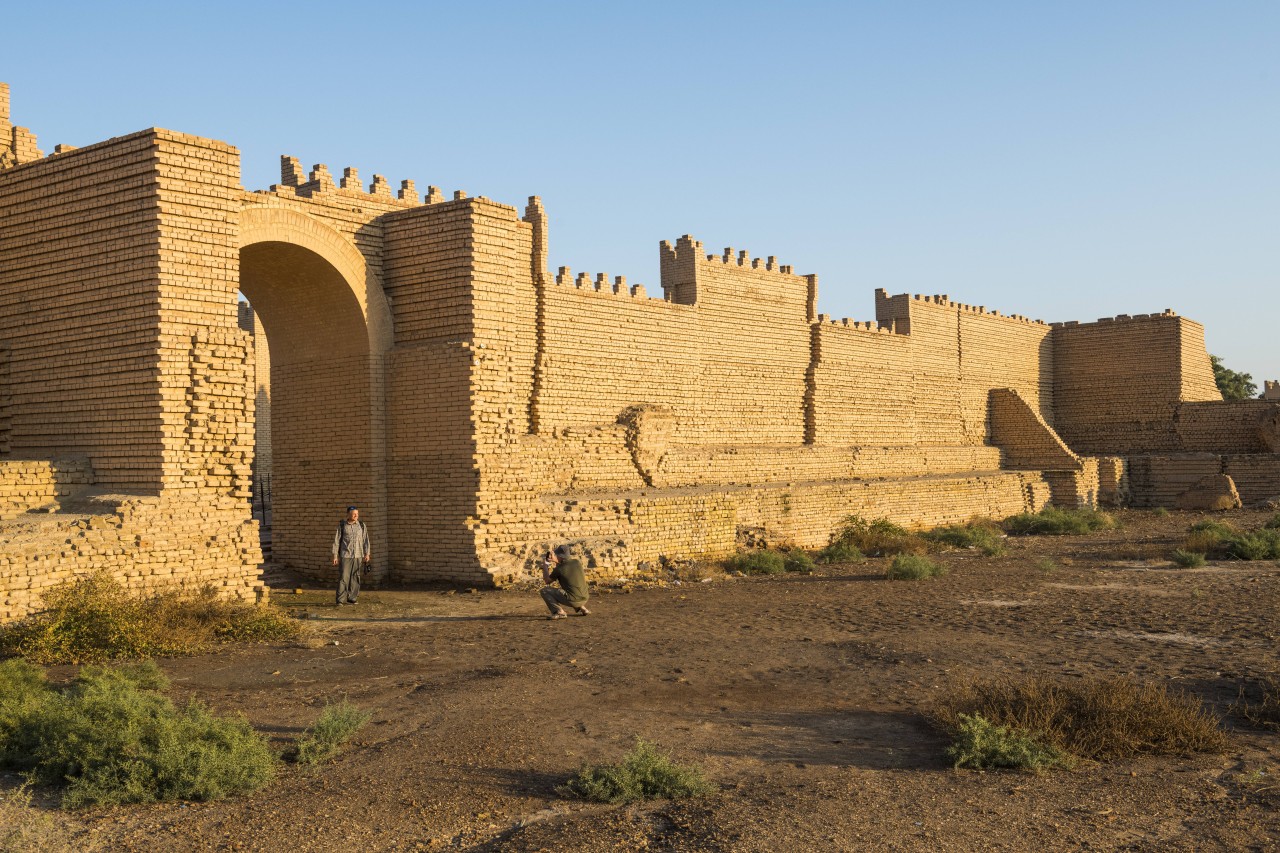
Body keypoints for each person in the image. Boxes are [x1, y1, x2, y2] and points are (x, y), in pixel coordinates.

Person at [331, 505, 371, 606]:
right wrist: (335, 556)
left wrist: (367, 554)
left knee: (355, 577)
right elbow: (336, 541)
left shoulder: (362, 525)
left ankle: (352, 598)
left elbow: (366, 540)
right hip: (346, 555)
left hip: (358, 555)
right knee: (344, 577)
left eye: (357, 514)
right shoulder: (342, 526)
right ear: (348, 514)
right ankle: (340, 599)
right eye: (354, 514)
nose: (356, 516)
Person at [540, 544, 591, 620]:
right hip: (585, 598)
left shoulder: (559, 569)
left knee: (544, 591)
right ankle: (583, 608)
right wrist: (556, 561)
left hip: (574, 600)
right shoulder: (577, 562)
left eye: (556, 555)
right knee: (572, 586)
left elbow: (547, 581)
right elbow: (565, 569)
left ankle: (559, 612)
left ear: (560, 556)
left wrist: (545, 566)